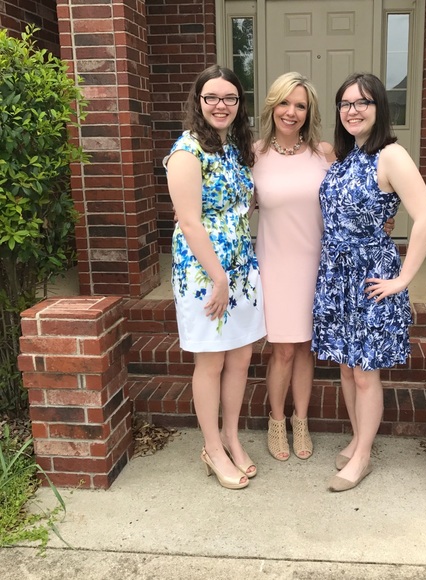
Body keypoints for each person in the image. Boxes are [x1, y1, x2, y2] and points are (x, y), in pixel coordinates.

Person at [312, 73, 426, 492]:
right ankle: (357, 439)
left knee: (365, 372)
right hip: (337, 275)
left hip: (370, 276)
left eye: (362, 103)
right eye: (345, 104)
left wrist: (403, 278)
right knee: (347, 368)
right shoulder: (348, 155)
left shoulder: (391, 155)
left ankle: (363, 456)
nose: (352, 111)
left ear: (379, 107)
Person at [164, 65, 266, 490]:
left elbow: (245, 203)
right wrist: (219, 278)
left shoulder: (236, 148)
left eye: (230, 98)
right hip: (205, 272)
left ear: (239, 104)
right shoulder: (187, 151)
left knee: (240, 357)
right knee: (211, 360)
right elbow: (189, 222)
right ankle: (211, 447)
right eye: (212, 97)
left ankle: (231, 437)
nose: (220, 105)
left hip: (242, 266)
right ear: (198, 101)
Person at [252, 72, 334, 462]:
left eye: (300, 105)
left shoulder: (324, 154)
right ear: (272, 106)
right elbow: (234, 205)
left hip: (316, 263)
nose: (291, 112)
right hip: (275, 264)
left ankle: (301, 420)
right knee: (283, 349)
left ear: (309, 112)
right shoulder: (254, 155)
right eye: (285, 103)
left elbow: (350, 200)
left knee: (305, 348)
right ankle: (276, 420)